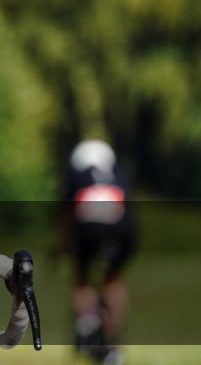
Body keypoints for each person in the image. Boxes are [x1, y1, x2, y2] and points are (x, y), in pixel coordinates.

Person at [65, 139, 136, 365]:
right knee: (113, 280)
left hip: (87, 225)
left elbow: (65, 214)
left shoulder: (78, 175)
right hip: (122, 226)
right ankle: (111, 342)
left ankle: (86, 321)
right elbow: (130, 209)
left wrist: (64, 246)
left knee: (82, 278)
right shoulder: (118, 174)